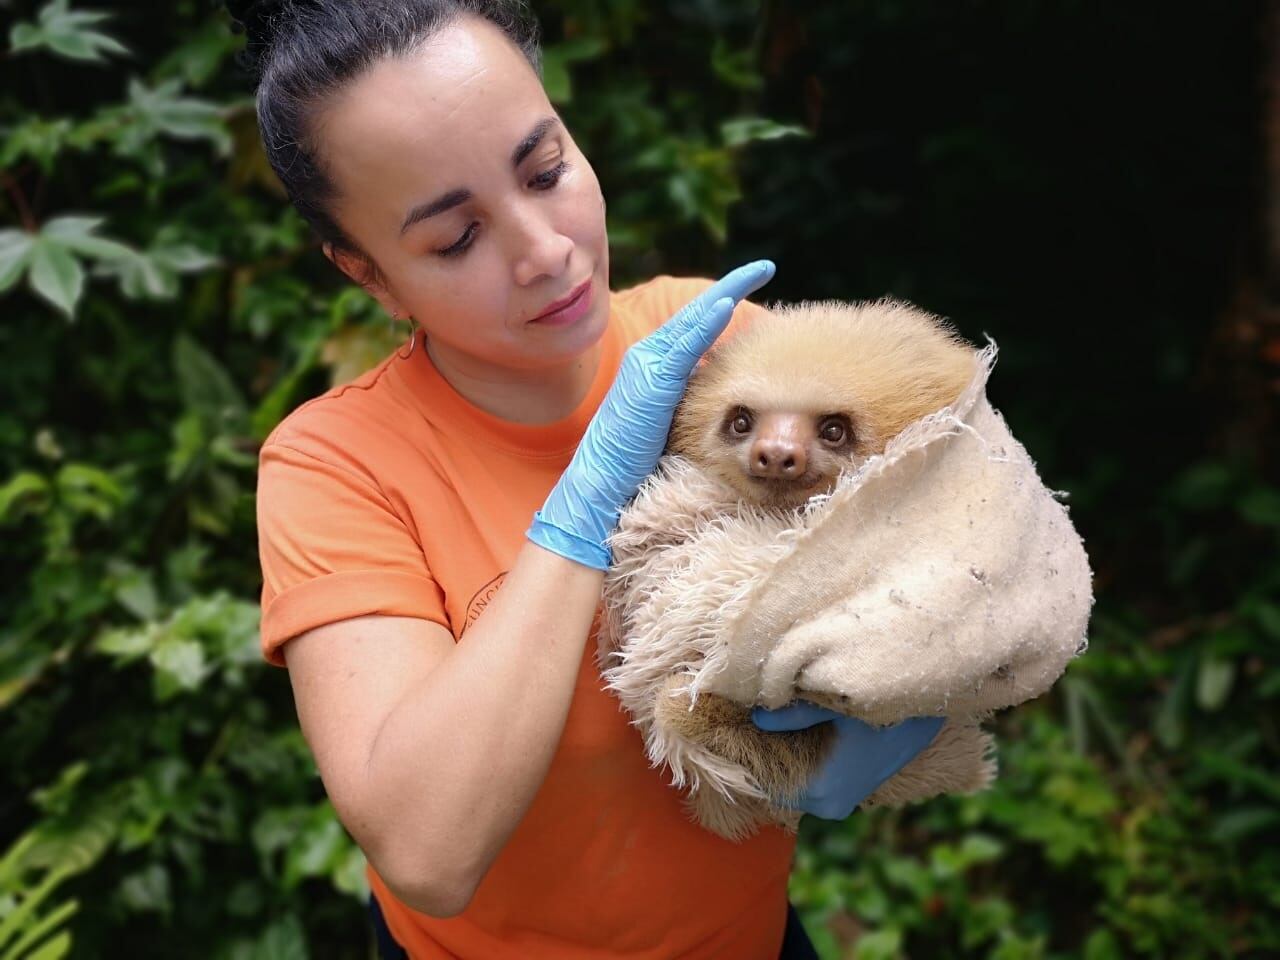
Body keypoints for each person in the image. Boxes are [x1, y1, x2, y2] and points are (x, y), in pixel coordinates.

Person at [236, 1, 944, 956]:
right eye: (455, 239)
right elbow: (428, 851)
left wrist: (914, 666)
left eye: (545, 170)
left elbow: (943, 527)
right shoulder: (336, 466)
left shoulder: (716, 347)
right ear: (367, 273)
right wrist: (587, 497)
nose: (545, 250)